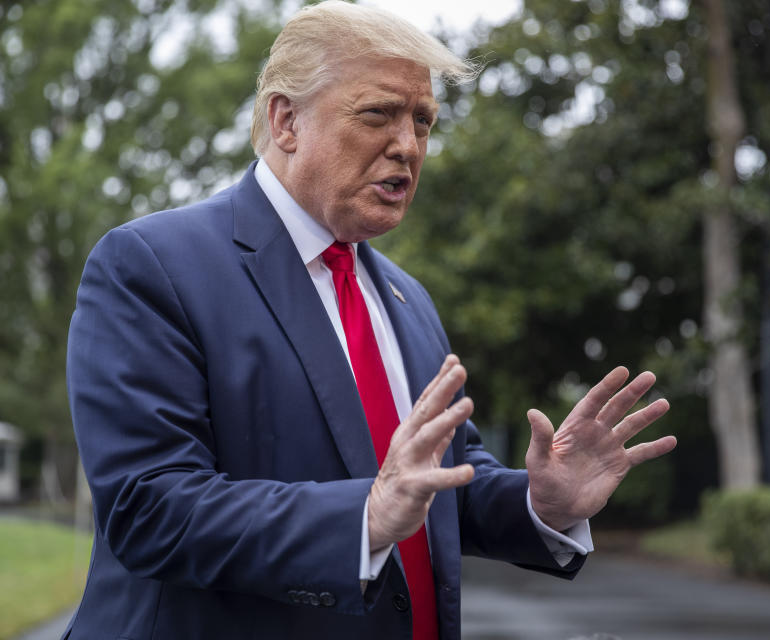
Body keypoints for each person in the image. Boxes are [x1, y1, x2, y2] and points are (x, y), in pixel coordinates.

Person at [64, 2, 676, 639]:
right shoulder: (152, 265)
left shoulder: (408, 300)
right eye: (378, 113)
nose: (407, 146)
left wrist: (537, 503)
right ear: (286, 119)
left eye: (423, 120)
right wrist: (365, 515)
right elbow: (149, 508)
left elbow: (439, 486)